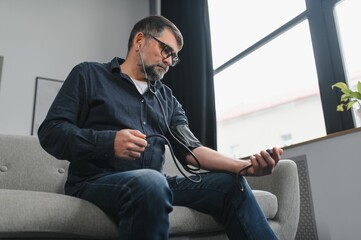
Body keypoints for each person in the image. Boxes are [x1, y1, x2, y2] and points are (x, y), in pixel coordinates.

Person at [38, 15, 283, 240]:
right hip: (95, 181)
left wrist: (244, 167)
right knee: (151, 182)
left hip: (156, 183)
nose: (169, 60)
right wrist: (108, 141)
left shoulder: (167, 98)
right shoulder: (89, 74)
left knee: (230, 184)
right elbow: (51, 131)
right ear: (140, 40)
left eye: (173, 56)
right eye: (165, 50)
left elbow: (191, 150)